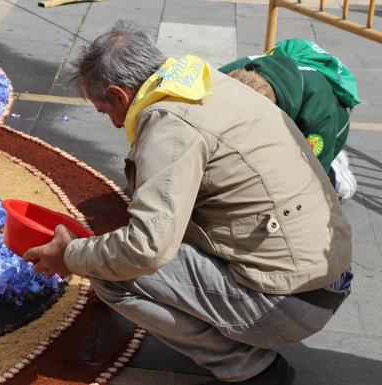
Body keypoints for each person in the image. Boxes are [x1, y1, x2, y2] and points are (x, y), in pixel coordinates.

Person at [24, 22, 353, 385]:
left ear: (119, 95)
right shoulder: (207, 80)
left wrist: (70, 256)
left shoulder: (170, 126)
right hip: (324, 274)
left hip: (288, 302)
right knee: (143, 237)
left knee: (112, 274)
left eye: (106, 112)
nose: (116, 125)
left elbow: (145, 249)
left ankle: (250, 370)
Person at [219, 41, 359, 201]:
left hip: (326, 127)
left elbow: (311, 182)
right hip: (286, 105)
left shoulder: (321, 113)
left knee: (288, 182)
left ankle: (336, 172)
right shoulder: (223, 78)